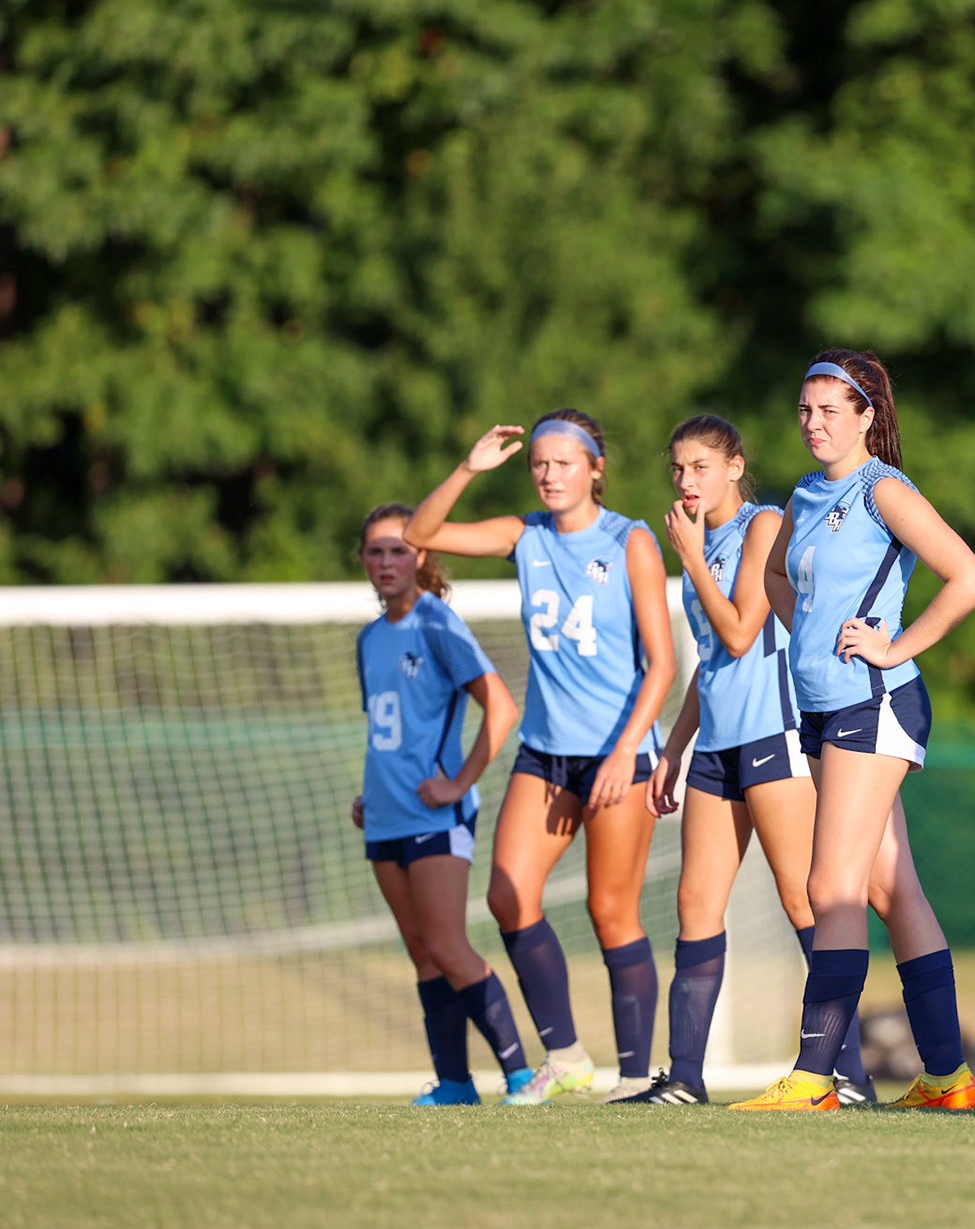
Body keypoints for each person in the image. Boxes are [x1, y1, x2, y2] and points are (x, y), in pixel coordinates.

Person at [730, 349, 975, 1111]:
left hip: (873, 704)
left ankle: (815, 1081)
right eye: (806, 410)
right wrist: (810, 634)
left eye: (831, 410)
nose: (814, 423)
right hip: (824, 708)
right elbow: (779, 579)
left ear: (868, 416)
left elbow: (969, 578)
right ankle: (948, 1078)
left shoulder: (884, 490)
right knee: (889, 888)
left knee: (829, 886)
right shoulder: (807, 494)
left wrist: (894, 644)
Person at [404, 410, 678, 1105]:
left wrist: (624, 755)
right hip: (546, 755)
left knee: (611, 910)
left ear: (595, 469)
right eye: (540, 464)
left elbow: (662, 665)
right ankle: (566, 1057)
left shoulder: (631, 541)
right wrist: (471, 467)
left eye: (564, 462)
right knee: (507, 894)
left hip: (619, 756)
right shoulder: (524, 535)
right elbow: (419, 535)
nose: (550, 474)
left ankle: (637, 1075)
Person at [632, 415, 875, 1105]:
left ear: (735, 467)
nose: (687, 481)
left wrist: (688, 557)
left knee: (807, 902)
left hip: (774, 738)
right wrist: (673, 751)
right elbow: (709, 666)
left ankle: (848, 1074)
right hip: (715, 749)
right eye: (678, 469)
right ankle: (684, 1080)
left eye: (701, 467)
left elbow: (741, 632)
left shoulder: (764, 523)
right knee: (695, 907)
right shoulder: (698, 540)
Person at [352, 503, 531, 1105]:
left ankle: (523, 1077)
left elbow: (501, 708)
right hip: (384, 819)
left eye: (397, 550)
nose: (386, 562)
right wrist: (367, 792)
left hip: (436, 817)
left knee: (450, 947)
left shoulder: (438, 626)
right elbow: (391, 730)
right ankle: (455, 1082)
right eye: (375, 551)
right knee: (422, 953)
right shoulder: (369, 639)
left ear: (421, 556)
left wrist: (458, 783)